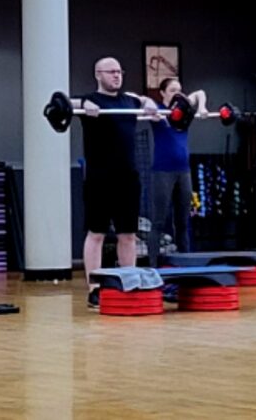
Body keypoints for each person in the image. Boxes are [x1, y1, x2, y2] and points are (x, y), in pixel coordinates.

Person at [72, 57, 158, 309]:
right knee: (96, 233)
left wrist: (150, 102)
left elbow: (142, 100)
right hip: (99, 178)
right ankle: (94, 289)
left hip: (127, 178)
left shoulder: (129, 101)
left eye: (119, 71)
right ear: (98, 74)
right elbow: (62, 101)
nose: (117, 76)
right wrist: (83, 104)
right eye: (111, 72)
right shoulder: (90, 100)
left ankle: (128, 284)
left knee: (128, 235)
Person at [148, 77, 207, 264]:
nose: (178, 94)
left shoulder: (184, 112)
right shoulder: (157, 111)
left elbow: (199, 93)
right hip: (162, 172)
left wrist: (203, 108)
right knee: (158, 221)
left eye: (179, 90)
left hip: (184, 172)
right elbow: (139, 101)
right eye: (173, 90)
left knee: (182, 222)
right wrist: (149, 108)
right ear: (163, 93)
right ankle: (153, 266)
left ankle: (185, 262)